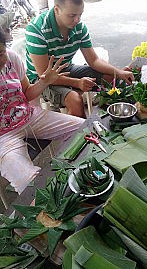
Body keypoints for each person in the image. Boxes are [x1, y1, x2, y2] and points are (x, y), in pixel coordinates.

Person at [25, 0, 134, 118]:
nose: (77, 20)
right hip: (41, 80)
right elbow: (45, 75)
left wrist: (120, 72)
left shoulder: (79, 27)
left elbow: (94, 60)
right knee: (75, 101)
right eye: (72, 15)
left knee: (110, 77)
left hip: (66, 68)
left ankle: (109, 118)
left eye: (80, 14)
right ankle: (80, 137)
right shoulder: (36, 30)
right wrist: (77, 83)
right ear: (57, 10)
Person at [0, 27, 85, 194]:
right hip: (3, 137)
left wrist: (44, 82)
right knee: (28, 181)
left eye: (0, 53)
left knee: (84, 129)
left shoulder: (12, 58)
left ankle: (81, 177)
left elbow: (26, 93)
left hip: (29, 117)